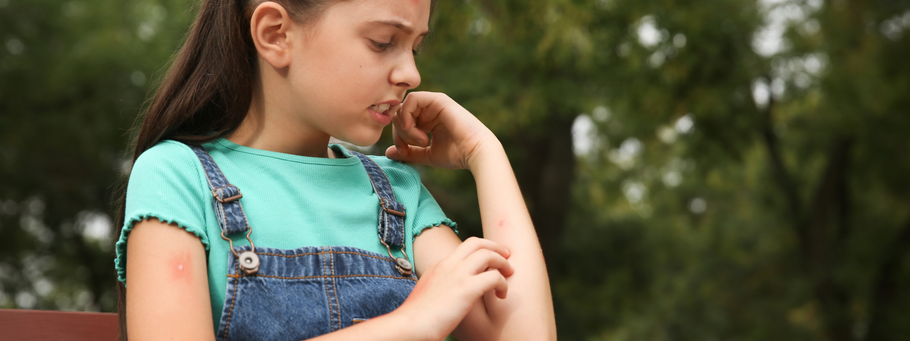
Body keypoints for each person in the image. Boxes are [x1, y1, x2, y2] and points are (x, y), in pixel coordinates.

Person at [113, 0, 556, 339]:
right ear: (276, 35)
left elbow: (525, 332)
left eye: (416, 47)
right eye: (383, 42)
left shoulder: (396, 191)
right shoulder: (176, 177)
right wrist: (408, 324)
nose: (411, 74)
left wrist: (484, 153)